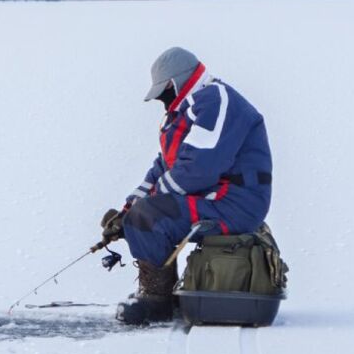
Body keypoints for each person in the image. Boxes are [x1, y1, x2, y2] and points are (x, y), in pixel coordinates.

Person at [102, 47, 274, 324]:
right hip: (216, 199)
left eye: (161, 93)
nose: (162, 101)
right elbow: (165, 166)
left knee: (149, 217)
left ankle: (156, 302)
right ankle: (156, 293)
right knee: (142, 215)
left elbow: (198, 169)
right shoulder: (189, 109)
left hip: (235, 203)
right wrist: (128, 209)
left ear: (173, 84)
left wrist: (144, 210)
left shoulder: (215, 101)